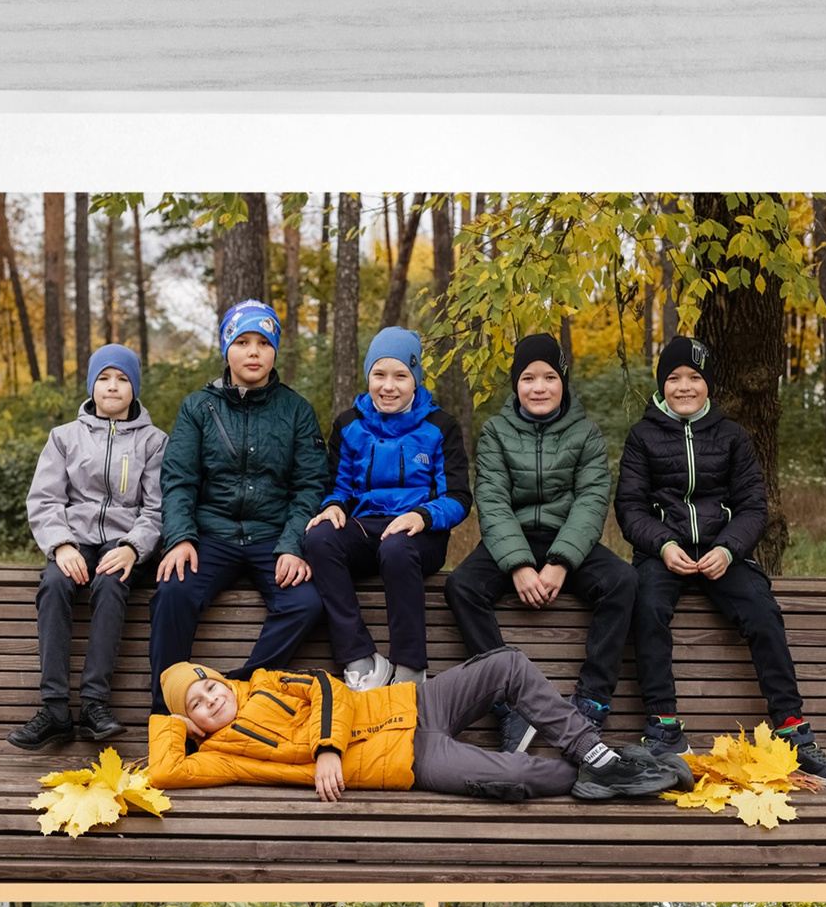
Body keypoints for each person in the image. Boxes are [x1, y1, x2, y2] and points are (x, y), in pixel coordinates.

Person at [616, 334, 826, 785]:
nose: (684, 387)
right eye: (673, 378)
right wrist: (664, 546)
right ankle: (664, 729)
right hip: (663, 552)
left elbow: (752, 507)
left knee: (762, 611)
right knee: (644, 607)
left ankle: (792, 731)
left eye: (694, 378)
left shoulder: (731, 436)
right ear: (661, 384)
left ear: (708, 384)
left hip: (722, 553)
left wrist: (728, 549)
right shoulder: (642, 435)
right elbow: (630, 507)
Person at [143, 655, 676, 805]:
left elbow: (330, 687)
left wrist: (326, 748)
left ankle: (599, 756)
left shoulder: (263, 682)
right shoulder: (223, 753)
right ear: (193, 720)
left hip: (415, 701)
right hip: (410, 761)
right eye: (198, 704)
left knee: (507, 665)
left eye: (209, 687)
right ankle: (606, 774)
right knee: (515, 777)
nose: (212, 699)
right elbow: (166, 772)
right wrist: (174, 722)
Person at [447, 333, 635, 748]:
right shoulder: (496, 432)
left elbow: (590, 500)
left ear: (563, 382)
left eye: (549, 377)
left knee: (623, 581)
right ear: (516, 384)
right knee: (462, 586)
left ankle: (590, 703)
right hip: (510, 538)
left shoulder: (585, 433)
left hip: (565, 539)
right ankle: (509, 707)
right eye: (528, 378)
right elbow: (492, 500)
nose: (539, 387)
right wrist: (516, 565)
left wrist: (561, 563)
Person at [146, 301, 328, 686]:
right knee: (172, 593)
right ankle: (169, 710)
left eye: (263, 342)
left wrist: (293, 544)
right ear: (226, 348)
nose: (253, 351)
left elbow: (311, 485)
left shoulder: (297, 410)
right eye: (242, 341)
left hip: (271, 537)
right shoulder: (198, 407)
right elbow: (178, 479)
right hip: (211, 535)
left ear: (274, 350)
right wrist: (180, 538)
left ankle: (235, 689)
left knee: (305, 603)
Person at [10, 342, 164, 751]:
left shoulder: (153, 442)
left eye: (122, 379)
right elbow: (44, 499)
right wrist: (60, 546)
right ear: (91, 385)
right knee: (55, 585)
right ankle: (56, 709)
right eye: (104, 378)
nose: (112, 387)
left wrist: (133, 548)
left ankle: (95, 703)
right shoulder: (64, 438)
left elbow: (155, 508)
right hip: (73, 539)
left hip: (123, 539)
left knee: (111, 585)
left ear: (135, 388)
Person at [304, 326, 471, 687]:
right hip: (366, 528)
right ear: (368, 376)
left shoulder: (440, 427)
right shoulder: (349, 425)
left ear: (416, 381)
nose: (388, 386)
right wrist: (333, 504)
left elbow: (458, 498)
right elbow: (338, 485)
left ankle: (411, 667)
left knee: (396, 549)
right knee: (318, 537)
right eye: (379, 374)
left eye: (400, 376)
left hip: (418, 534)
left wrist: (423, 515)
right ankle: (358, 656)